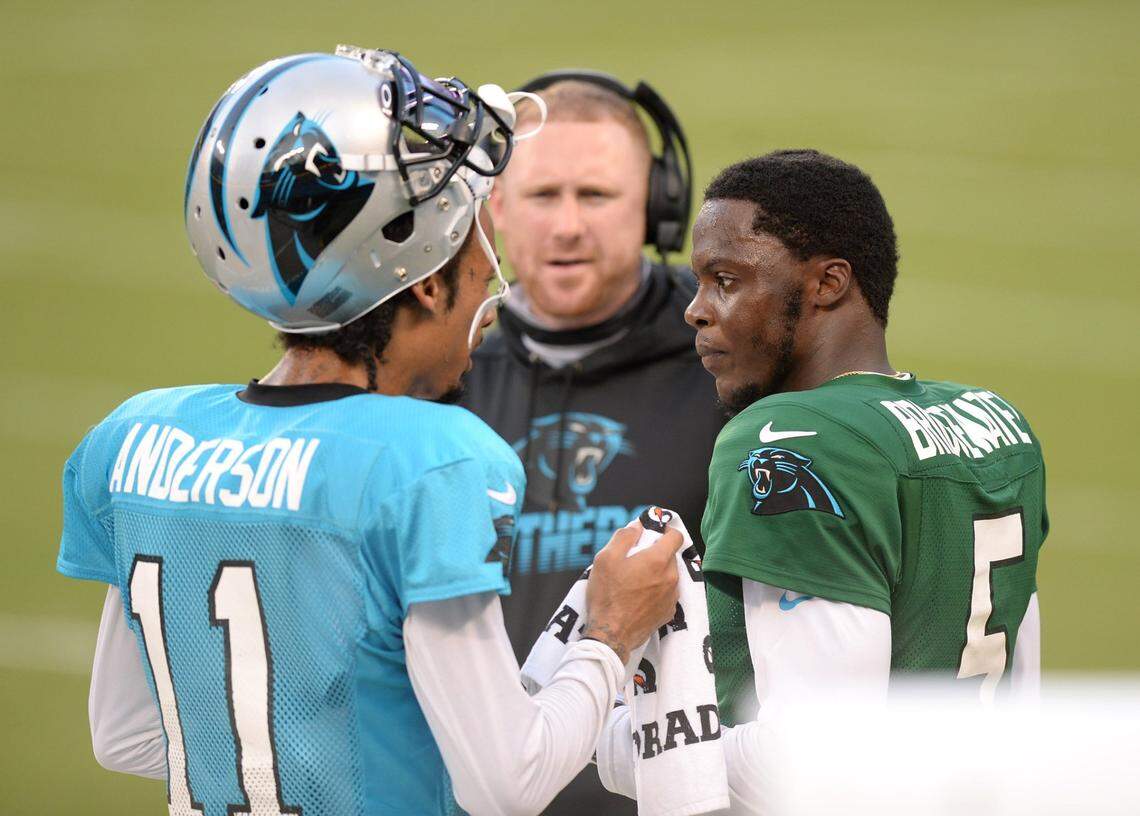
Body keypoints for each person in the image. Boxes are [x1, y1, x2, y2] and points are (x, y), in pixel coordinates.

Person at [57, 46, 684, 816]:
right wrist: (609, 637)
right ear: (425, 278)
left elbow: (126, 734)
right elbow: (508, 783)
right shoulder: (432, 460)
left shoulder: (140, 439)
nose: (495, 270)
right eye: (478, 238)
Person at [595, 150, 1046, 811]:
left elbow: (815, 761)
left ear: (828, 284)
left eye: (726, 279)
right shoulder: (992, 420)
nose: (695, 310)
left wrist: (603, 733)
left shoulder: (788, 439)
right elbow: (1023, 699)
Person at [459, 74, 724, 814]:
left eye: (596, 195)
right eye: (543, 196)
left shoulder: (732, 360)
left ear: (655, 208)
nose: (568, 225)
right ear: (495, 209)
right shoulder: (435, 370)